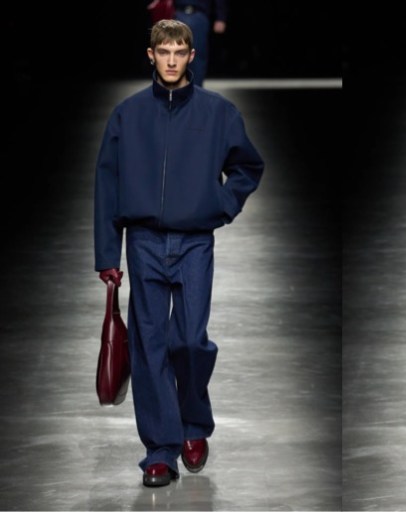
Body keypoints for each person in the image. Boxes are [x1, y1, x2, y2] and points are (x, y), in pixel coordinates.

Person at [94, 19, 263, 487]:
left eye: (179, 52)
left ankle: (193, 422)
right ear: (151, 55)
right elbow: (107, 184)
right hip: (143, 241)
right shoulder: (127, 115)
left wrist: (219, 205)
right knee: (148, 345)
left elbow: (248, 166)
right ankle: (160, 450)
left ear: (192, 56)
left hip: (194, 241)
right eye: (164, 52)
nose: (171, 60)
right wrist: (108, 255)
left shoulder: (218, 112)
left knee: (189, 340)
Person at [174, 0, 227, 87]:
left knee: (198, 55)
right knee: (174, 52)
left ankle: (196, 89)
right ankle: (176, 88)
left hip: (199, 14)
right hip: (177, 14)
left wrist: (220, 17)